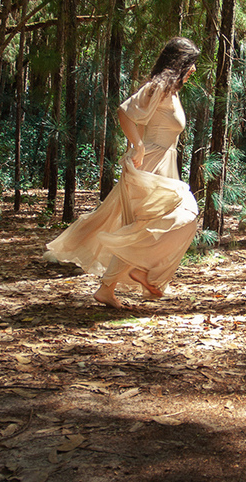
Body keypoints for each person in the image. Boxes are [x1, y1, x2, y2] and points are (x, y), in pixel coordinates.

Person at [45, 36, 202, 308]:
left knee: (147, 227)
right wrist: (138, 146)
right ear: (180, 63)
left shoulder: (172, 92)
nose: (194, 70)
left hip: (164, 167)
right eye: (191, 64)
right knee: (183, 215)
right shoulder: (158, 87)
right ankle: (142, 273)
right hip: (150, 167)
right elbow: (124, 112)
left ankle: (111, 287)